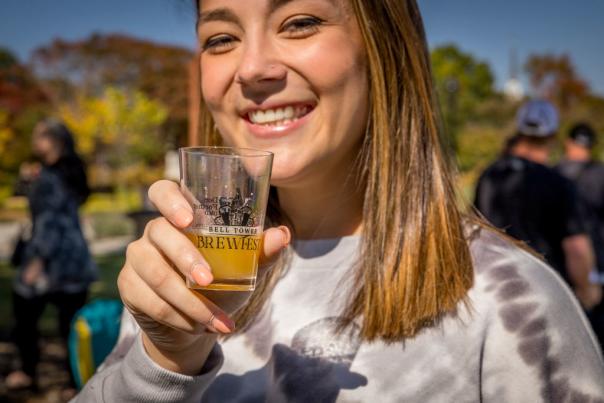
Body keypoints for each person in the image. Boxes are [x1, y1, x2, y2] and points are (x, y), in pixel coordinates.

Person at [75, 1, 604, 401]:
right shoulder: (183, 269)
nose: (252, 67)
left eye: (300, 22)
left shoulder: (510, 301)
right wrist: (165, 359)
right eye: (219, 37)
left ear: (384, 47)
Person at [475, 100, 602, 312]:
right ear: (552, 137)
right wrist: (588, 291)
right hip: (545, 300)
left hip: (494, 294)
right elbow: (577, 249)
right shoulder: (557, 183)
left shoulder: (489, 176)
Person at [6, 119, 97, 394]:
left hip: (51, 261)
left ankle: (27, 371)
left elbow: (48, 222)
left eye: (39, 137)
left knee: (25, 315)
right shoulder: (71, 172)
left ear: (55, 141)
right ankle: (76, 380)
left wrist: (37, 261)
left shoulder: (50, 177)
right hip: (75, 257)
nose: (34, 142)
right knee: (70, 323)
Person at [557, 122, 604, 348]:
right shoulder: (600, 173)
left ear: (568, 142)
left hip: (559, 265)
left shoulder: (552, 174)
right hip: (596, 261)